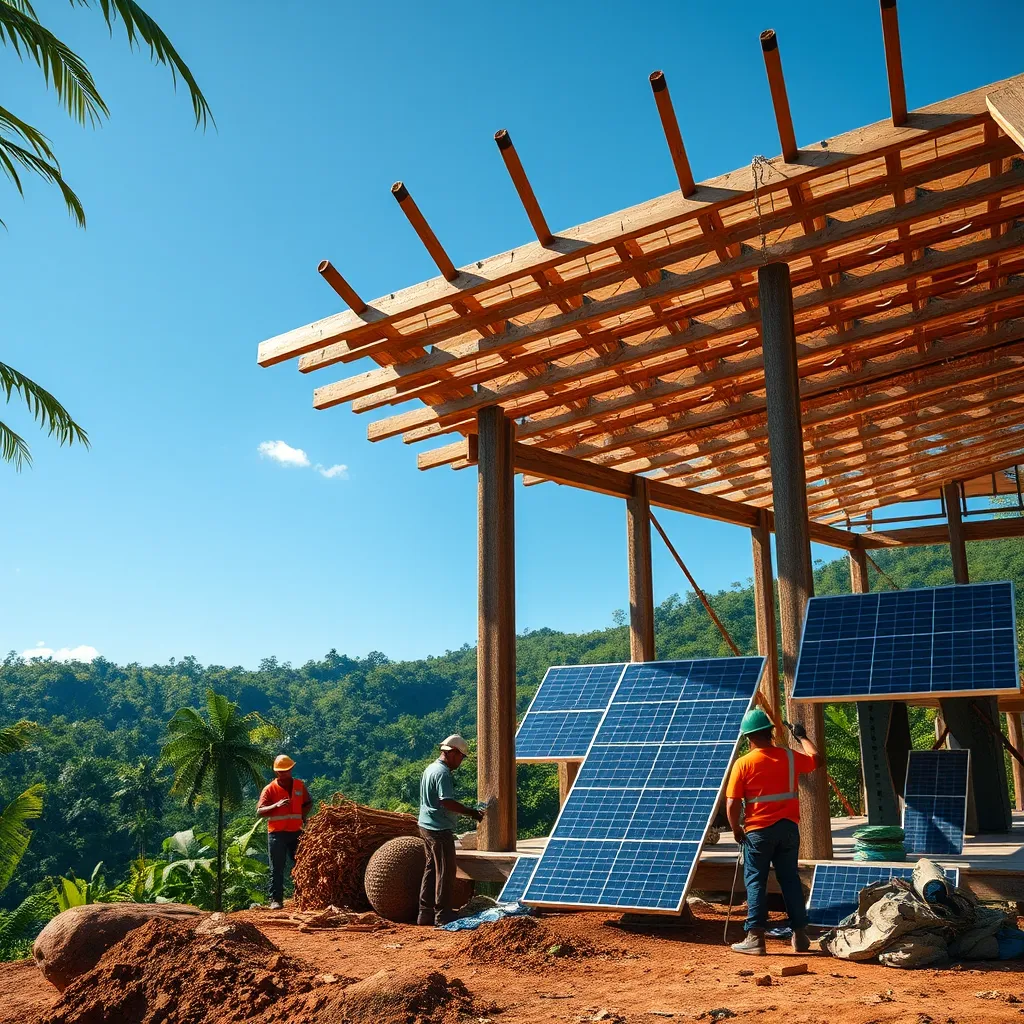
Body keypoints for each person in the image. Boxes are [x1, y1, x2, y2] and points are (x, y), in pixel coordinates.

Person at [725, 708, 822, 956]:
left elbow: (733, 802)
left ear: (748, 737)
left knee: (756, 880)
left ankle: (755, 937)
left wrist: (736, 829)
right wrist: (802, 737)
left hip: (758, 832)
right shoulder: (789, 757)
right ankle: (800, 936)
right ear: (770, 733)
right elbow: (816, 759)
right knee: (789, 879)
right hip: (788, 828)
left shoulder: (743, 763)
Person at [417, 734, 485, 926]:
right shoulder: (443, 773)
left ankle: (424, 914)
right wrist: (471, 812)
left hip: (425, 826)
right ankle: (442, 915)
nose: (460, 762)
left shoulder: (430, 768)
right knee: (445, 872)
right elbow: (445, 801)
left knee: (431, 869)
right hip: (439, 829)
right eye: (461, 757)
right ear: (453, 753)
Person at [257, 754, 313, 910]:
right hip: (277, 834)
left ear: (291, 769)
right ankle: (276, 900)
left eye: (285, 770)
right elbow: (260, 811)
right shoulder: (270, 789)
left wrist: (303, 816)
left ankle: (303, 898)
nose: (282, 774)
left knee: (301, 866)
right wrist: (276, 806)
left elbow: (308, 802)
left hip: (296, 832)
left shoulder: (300, 786)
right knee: (277, 868)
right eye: (280, 771)